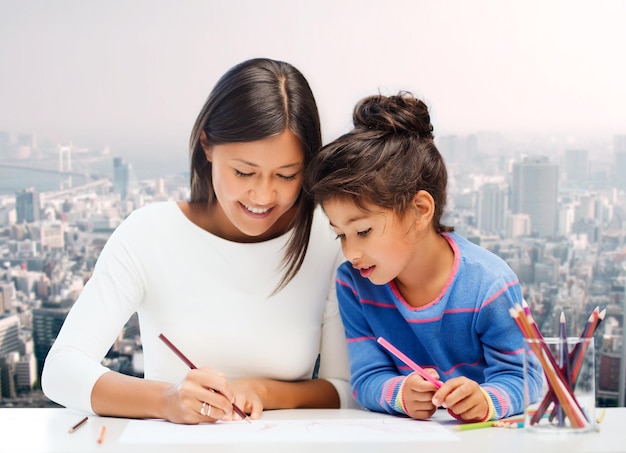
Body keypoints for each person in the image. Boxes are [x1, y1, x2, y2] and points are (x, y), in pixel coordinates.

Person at [42, 57, 357, 425]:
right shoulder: (148, 233)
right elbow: (61, 370)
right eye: (243, 172)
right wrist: (166, 399)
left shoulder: (327, 237)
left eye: (286, 175)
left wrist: (263, 391)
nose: (263, 194)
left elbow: (344, 388)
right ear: (207, 146)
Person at [304, 91, 543, 422]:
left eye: (363, 232)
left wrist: (485, 400)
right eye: (340, 234)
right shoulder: (354, 284)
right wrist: (401, 394)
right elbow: (366, 378)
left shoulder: (489, 285)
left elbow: (526, 379)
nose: (351, 252)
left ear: (420, 210)